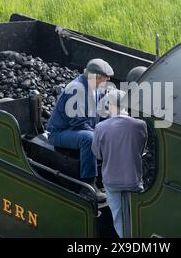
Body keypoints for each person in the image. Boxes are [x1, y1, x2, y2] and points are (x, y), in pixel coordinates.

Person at [47, 58, 114, 201]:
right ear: (94, 77)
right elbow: (78, 124)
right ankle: (88, 186)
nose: (108, 80)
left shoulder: (98, 89)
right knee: (89, 139)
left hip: (83, 128)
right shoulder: (76, 89)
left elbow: (103, 114)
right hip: (61, 132)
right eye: (104, 77)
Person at [91, 89, 148, 238]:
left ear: (110, 105)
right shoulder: (140, 125)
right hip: (133, 180)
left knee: (118, 218)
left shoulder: (100, 128)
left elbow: (97, 154)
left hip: (111, 181)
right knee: (135, 216)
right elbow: (141, 150)